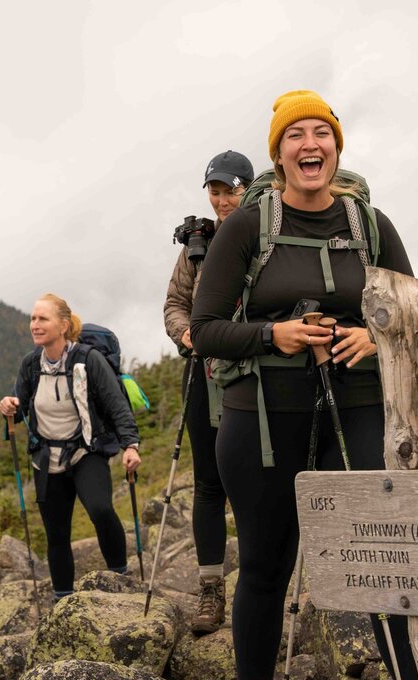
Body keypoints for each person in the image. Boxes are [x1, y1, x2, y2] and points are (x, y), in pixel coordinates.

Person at [190, 90, 418, 680]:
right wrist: (277, 332)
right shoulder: (247, 227)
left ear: (336, 147)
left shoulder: (371, 225)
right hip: (262, 419)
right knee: (265, 566)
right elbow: (206, 331)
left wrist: (369, 336)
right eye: (294, 135)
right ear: (278, 153)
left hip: (356, 409)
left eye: (320, 133)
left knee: (386, 562)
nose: (309, 145)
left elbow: (413, 312)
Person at [163, 150, 254, 635]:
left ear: (249, 188)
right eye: (214, 191)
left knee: (254, 477)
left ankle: (259, 586)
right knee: (207, 483)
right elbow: (176, 302)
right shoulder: (196, 245)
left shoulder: (264, 234)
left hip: (253, 372)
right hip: (203, 371)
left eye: (229, 190)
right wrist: (186, 334)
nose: (221, 200)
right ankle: (211, 589)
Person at [0, 293, 142, 600]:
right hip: (46, 458)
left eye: (42, 319)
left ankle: (121, 575)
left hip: (85, 451)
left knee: (101, 510)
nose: (34, 325)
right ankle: (62, 598)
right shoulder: (30, 364)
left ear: (63, 325)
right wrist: (10, 406)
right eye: (33, 319)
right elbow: (19, 406)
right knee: (57, 534)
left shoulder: (89, 359)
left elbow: (117, 406)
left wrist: (131, 446)